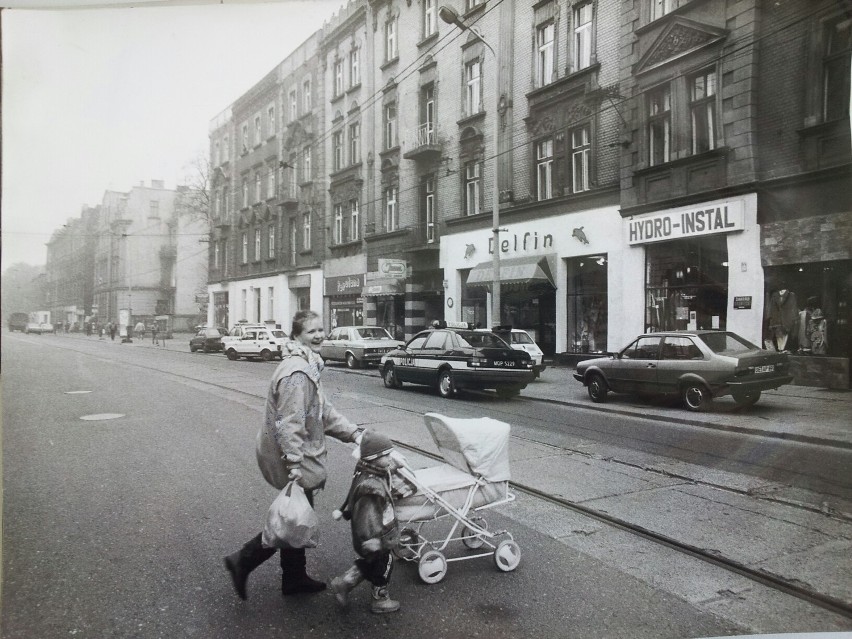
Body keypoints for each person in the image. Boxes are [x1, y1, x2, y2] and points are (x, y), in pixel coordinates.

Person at [224, 309, 364, 600]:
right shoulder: (297, 373)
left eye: (320, 330)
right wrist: (296, 465)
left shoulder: (307, 366)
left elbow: (322, 413)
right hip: (291, 456)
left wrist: (353, 433)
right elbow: (290, 423)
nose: (319, 335)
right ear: (297, 334)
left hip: (295, 454)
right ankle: (243, 560)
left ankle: (294, 578)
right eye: (311, 331)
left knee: (297, 513)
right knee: (292, 519)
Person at [330, 430, 405, 614]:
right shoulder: (371, 488)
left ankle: (344, 583)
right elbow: (368, 518)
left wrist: (392, 464)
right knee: (385, 565)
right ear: (373, 458)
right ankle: (380, 599)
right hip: (376, 537)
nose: (389, 459)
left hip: (372, 536)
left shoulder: (367, 470)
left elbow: (386, 466)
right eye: (386, 455)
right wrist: (375, 540)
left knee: (371, 563)